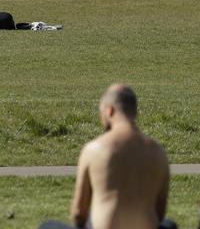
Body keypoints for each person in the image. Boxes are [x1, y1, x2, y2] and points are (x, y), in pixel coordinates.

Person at [69, 84, 170, 229]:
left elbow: (79, 213)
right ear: (135, 112)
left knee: (48, 225)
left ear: (109, 110)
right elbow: (159, 213)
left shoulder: (94, 149)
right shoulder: (158, 152)